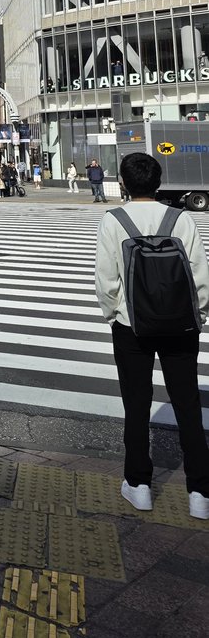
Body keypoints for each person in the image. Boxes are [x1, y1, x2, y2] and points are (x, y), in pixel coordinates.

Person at [95, 152, 209, 520]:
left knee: (137, 402)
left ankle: (139, 484)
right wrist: (198, 315)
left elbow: (106, 279)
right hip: (180, 325)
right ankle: (200, 493)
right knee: (188, 404)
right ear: (158, 183)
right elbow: (200, 276)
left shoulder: (114, 220)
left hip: (132, 327)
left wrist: (114, 315)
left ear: (123, 184)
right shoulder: (181, 219)